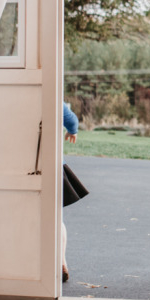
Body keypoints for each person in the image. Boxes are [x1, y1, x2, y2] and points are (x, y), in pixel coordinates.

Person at [62, 102, 88, 282]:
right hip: (53, 164)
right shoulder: (54, 96)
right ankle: (61, 260)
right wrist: (72, 131)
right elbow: (71, 118)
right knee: (56, 219)